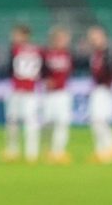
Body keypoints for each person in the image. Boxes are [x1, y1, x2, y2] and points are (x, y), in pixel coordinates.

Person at [3, 23, 43, 163]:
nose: (14, 37)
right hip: (30, 90)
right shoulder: (37, 50)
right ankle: (31, 153)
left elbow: (10, 69)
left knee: (15, 122)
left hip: (22, 90)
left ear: (25, 35)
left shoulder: (15, 50)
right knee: (29, 122)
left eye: (17, 35)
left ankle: (14, 151)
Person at [84, 25, 112, 164]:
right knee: (96, 121)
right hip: (98, 88)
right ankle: (101, 151)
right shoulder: (96, 54)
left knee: (99, 120)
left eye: (95, 37)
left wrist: (109, 83)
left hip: (104, 89)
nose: (93, 40)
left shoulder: (108, 54)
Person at [41, 27, 74, 164]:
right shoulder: (46, 54)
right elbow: (41, 71)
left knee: (63, 123)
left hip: (63, 93)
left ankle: (59, 151)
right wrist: (45, 80)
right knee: (48, 123)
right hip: (49, 94)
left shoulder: (68, 54)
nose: (64, 41)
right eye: (61, 38)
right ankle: (47, 149)